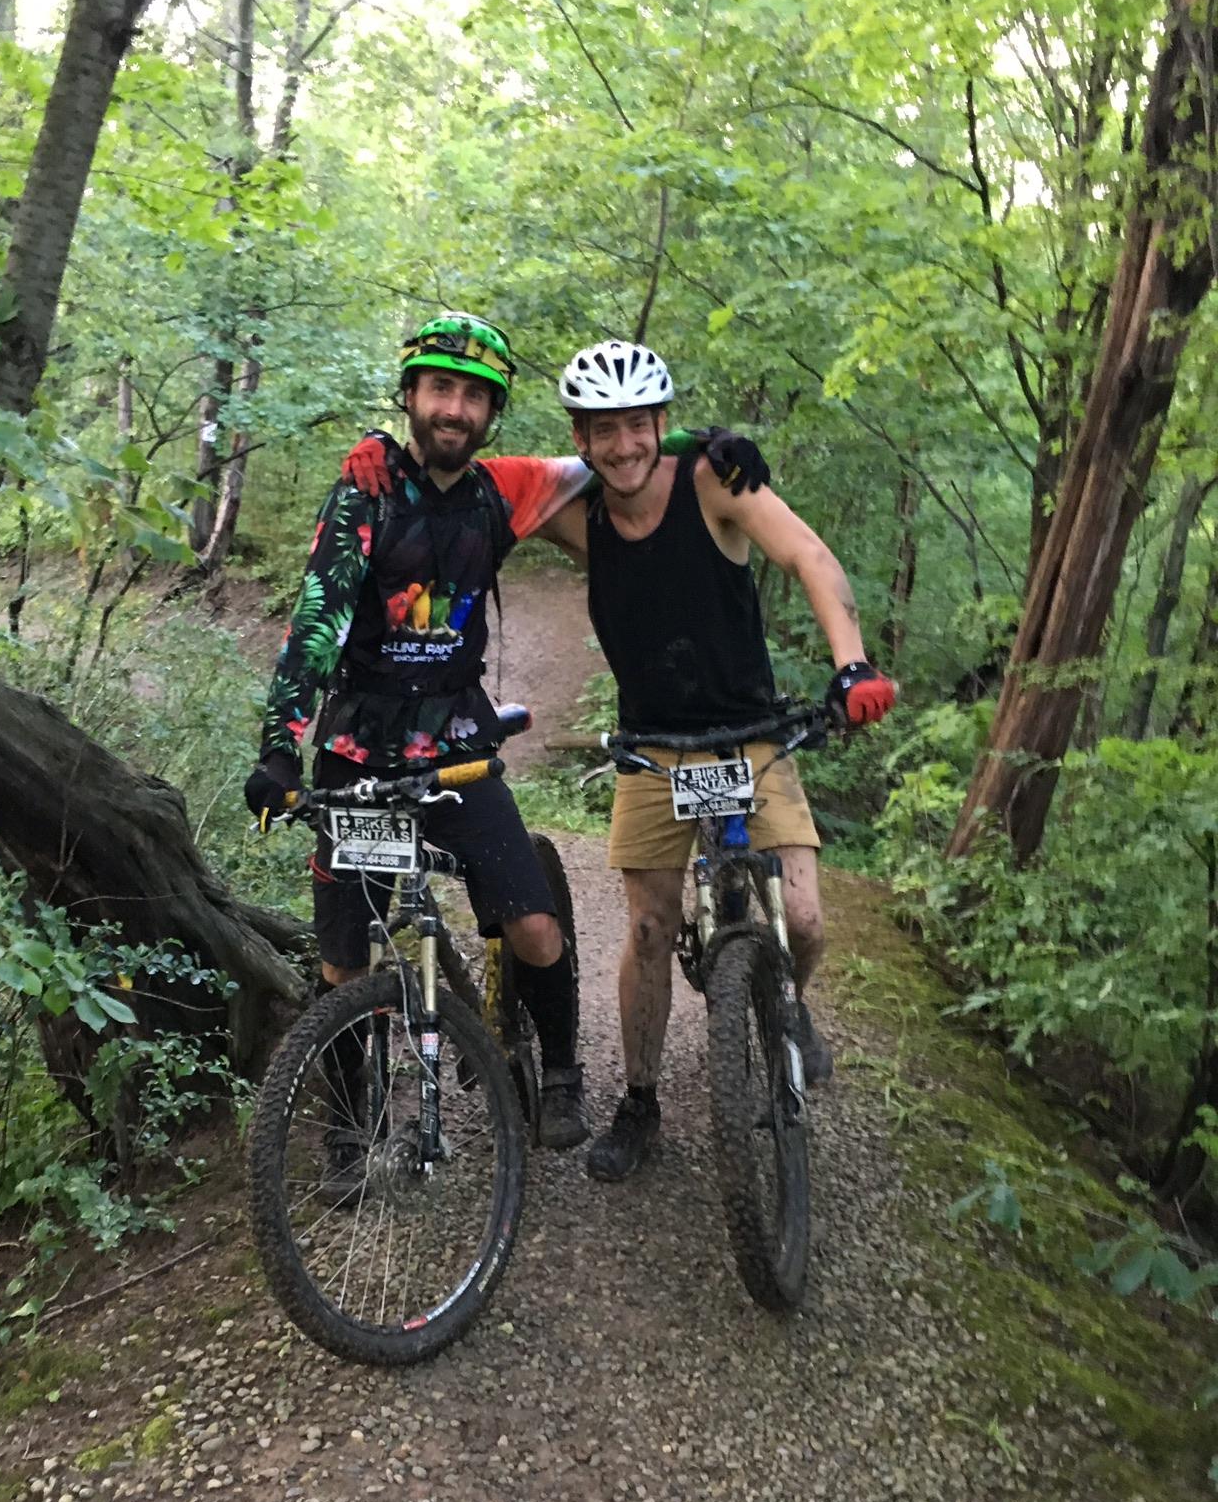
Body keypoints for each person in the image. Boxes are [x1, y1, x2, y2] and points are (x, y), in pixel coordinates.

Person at [341, 336, 894, 1183]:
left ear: (662, 424)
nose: (624, 445)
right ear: (583, 436)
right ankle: (639, 1102)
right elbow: (467, 466)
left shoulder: (716, 480)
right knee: (646, 925)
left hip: (751, 732)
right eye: (604, 430)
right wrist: (382, 451)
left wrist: (851, 662)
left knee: (808, 921)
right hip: (651, 745)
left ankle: (788, 1005)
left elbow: (809, 557)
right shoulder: (578, 510)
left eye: (643, 427)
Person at [245, 313, 598, 1147]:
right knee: (343, 964)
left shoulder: (502, 490)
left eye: (476, 397)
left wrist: (699, 442)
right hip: (357, 749)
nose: (456, 409)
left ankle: (561, 1073)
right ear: (410, 396)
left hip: (457, 748)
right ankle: (346, 1125)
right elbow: (318, 625)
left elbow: (616, 453)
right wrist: (276, 748)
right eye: (441, 389)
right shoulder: (363, 494)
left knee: (535, 926)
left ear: (492, 414)